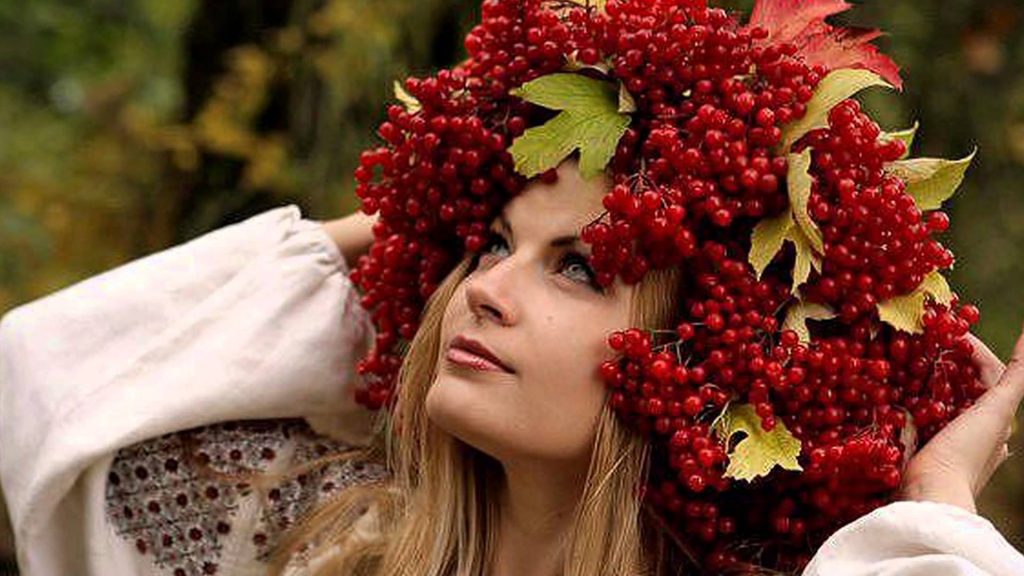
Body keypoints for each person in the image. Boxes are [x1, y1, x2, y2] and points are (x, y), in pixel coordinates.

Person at [1, 158, 1023, 576]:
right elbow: (50, 371)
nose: (483, 288)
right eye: (488, 245)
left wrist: (935, 499)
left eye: (577, 267)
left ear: (712, 366)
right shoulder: (312, 543)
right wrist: (405, 219)